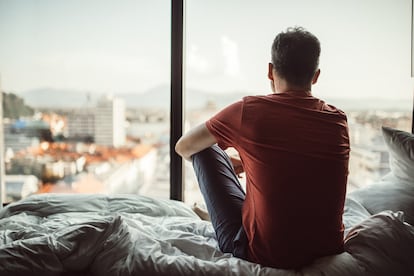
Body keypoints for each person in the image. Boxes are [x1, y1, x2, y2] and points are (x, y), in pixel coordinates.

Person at [175, 26, 350, 269]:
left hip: (263, 253)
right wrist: (249, 161)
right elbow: (298, 166)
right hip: (326, 247)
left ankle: (220, 220)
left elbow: (183, 147)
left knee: (203, 149)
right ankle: (224, 217)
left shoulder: (249, 111)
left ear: (270, 70)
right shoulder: (338, 120)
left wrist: (234, 161)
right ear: (316, 75)